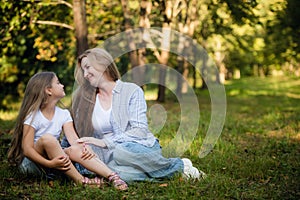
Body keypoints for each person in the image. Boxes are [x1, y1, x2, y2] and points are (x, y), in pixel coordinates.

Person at [71, 47, 206, 183]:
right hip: (109, 157)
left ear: (103, 64)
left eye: (88, 67)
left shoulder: (131, 91)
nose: (86, 74)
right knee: (121, 174)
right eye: (83, 70)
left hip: (137, 148)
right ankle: (172, 170)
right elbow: (73, 132)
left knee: (121, 152)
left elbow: (139, 130)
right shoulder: (86, 100)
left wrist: (106, 142)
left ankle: (178, 166)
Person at [7, 71, 128, 190]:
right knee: (48, 139)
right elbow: (27, 149)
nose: (62, 85)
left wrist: (85, 147)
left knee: (77, 147)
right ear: (48, 90)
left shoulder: (64, 114)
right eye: (58, 83)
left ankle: (112, 176)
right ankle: (80, 180)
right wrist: (49, 164)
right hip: (35, 165)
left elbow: (74, 139)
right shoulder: (33, 116)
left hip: (56, 162)